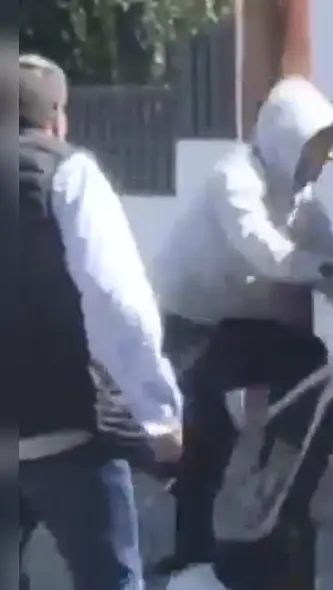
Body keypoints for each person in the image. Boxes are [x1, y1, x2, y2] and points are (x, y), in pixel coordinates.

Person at [148, 75, 333, 582]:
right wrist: (329, 270)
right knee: (208, 438)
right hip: (187, 326)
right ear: (287, 139)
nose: (329, 159)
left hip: (235, 325)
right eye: (319, 146)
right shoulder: (235, 178)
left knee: (309, 358)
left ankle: (279, 466)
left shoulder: (303, 205)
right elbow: (267, 253)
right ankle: (194, 556)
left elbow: (327, 265)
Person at [16, 54, 185, 590]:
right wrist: (158, 415)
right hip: (62, 435)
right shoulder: (68, 173)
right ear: (57, 115)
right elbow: (118, 304)